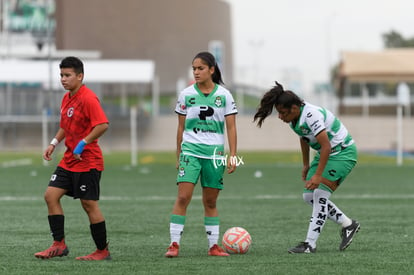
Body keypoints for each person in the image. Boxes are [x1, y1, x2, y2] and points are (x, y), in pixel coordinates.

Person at [253, 81, 360, 253]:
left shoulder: (311, 115)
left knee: (319, 194)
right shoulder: (294, 119)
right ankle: (348, 224)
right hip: (327, 153)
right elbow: (304, 137)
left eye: (282, 113)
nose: (280, 117)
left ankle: (310, 244)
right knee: (308, 196)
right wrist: (305, 164)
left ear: (294, 108)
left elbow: (326, 146)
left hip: (342, 153)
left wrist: (318, 175)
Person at [34, 56, 111, 260]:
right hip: (69, 160)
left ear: (80, 76)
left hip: (88, 162)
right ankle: (59, 245)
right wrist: (53, 143)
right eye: (61, 75)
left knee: (89, 205)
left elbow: (102, 124)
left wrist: (83, 142)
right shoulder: (67, 98)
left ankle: (102, 251)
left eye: (67, 75)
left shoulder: (88, 98)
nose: (63, 79)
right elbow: (65, 126)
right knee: (50, 196)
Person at [165, 52, 238, 257]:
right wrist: (178, 153)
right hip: (190, 150)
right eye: (194, 69)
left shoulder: (224, 95)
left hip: (214, 154)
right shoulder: (186, 94)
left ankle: (213, 246)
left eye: (200, 68)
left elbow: (231, 128)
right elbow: (180, 128)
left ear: (211, 70)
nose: (196, 72)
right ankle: (174, 244)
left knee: (211, 201)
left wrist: (232, 154)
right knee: (183, 196)